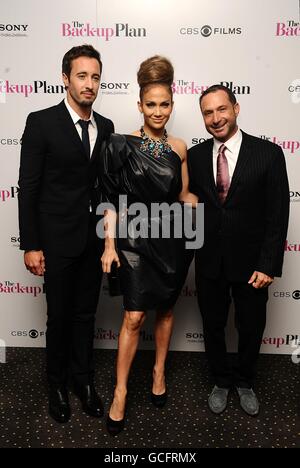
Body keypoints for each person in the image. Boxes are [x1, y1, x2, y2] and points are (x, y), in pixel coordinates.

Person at [98, 55, 198, 435]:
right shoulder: (119, 144)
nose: (158, 111)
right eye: (151, 104)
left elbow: (183, 193)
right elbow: (109, 199)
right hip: (134, 239)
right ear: (139, 105)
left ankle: (158, 372)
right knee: (134, 316)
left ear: (173, 105)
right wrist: (109, 245)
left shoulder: (180, 146)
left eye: (165, 104)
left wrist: (198, 206)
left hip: (172, 239)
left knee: (167, 311)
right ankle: (121, 391)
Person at [18, 45, 114, 424]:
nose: (89, 84)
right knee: (58, 316)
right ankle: (56, 384)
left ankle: (83, 381)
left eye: (94, 77)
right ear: (65, 78)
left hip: (91, 240)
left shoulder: (104, 126)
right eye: (81, 76)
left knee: (85, 315)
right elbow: (29, 188)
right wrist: (31, 244)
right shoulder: (41, 122)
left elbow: (105, 187)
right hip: (55, 240)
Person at [188, 84, 289, 416]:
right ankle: (220, 379)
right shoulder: (197, 156)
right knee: (213, 325)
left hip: (252, 265)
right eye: (208, 112)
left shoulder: (269, 154)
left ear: (236, 108)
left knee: (251, 326)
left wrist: (268, 264)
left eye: (221, 109)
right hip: (209, 262)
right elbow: (193, 204)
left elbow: (277, 214)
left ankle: (245, 381)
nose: (216, 119)